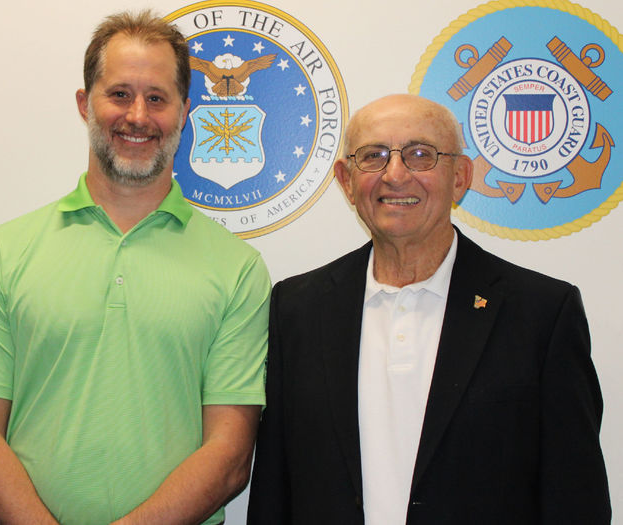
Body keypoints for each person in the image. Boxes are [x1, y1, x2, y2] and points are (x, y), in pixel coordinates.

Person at [0, 10, 270, 525]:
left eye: (157, 98)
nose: (137, 115)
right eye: (119, 94)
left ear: (184, 111)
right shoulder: (4, 253)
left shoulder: (238, 270)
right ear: (84, 104)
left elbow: (229, 456)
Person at [247, 94, 610, 524]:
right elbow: (274, 490)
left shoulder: (542, 314)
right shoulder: (297, 308)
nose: (395, 175)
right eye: (374, 156)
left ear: (460, 177)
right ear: (346, 180)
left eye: (421, 155)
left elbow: (575, 498)